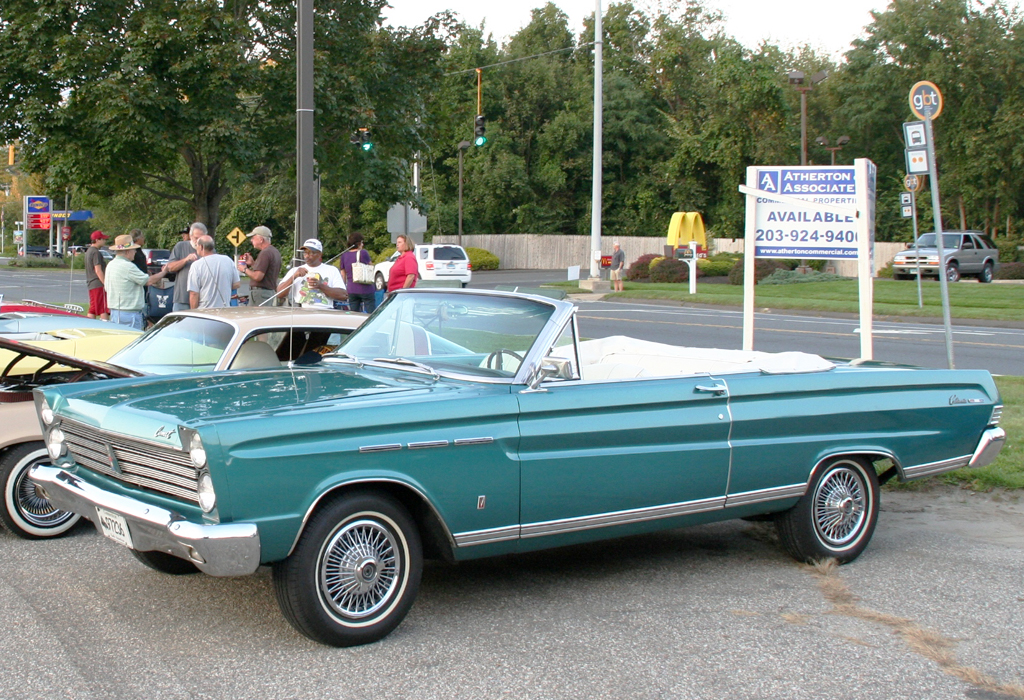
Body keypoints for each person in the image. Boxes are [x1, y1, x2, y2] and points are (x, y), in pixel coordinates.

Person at [104, 234, 167, 329]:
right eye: (133, 250)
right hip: (129, 313)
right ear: (128, 251)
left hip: (115, 312)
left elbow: (106, 287)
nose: (135, 252)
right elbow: (148, 281)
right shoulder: (128, 266)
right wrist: (164, 272)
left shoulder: (111, 265)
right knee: (132, 341)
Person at [276, 239, 346, 309]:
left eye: (311, 253)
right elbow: (279, 294)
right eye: (305, 253)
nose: (307, 256)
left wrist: (320, 286)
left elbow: (343, 295)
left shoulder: (332, 270)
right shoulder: (295, 270)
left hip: (325, 311)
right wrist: (294, 276)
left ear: (319, 254)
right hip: (301, 310)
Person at [187, 235, 240, 309]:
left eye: (196, 246)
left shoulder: (196, 265)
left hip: (205, 311)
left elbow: (194, 293)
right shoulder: (227, 260)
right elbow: (236, 284)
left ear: (201, 247)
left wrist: (194, 313)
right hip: (225, 310)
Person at [237, 225, 282, 308]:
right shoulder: (274, 251)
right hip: (268, 292)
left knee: (256, 318)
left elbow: (258, 277)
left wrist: (244, 269)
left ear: (261, 240)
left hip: (261, 294)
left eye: (253, 237)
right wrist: (253, 264)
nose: (251, 240)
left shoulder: (265, 253)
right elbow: (266, 272)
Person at [165, 222, 206, 311]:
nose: (198, 241)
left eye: (201, 238)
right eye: (196, 238)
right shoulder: (180, 246)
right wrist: (185, 260)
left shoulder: (209, 249)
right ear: (190, 236)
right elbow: (170, 267)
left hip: (203, 300)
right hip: (182, 299)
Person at [339, 231, 376, 313]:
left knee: (354, 314)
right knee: (370, 314)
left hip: (351, 289)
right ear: (359, 243)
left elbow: (343, 274)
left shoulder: (344, 256)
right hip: (366, 288)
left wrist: (344, 289)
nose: (363, 245)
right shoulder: (363, 253)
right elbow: (371, 267)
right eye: (362, 242)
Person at [84, 230, 109, 320]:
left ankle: (89, 325)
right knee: (103, 308)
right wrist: (105, 284)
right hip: (98, 283)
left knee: (93, 308)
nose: (105, 241)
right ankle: (105, 326)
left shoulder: (88, 251)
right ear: (97, 240)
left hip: (91, 283)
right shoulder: (96, 252)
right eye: (103, 239)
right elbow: (98, 270)